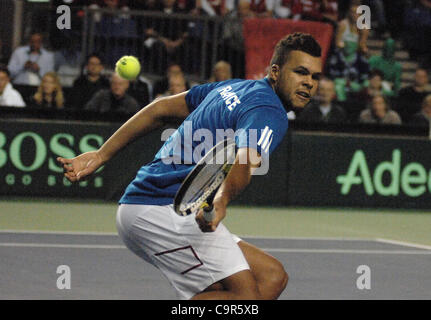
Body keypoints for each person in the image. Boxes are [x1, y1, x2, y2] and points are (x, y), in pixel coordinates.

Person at [57, 32, 323, 300]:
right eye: (301, 73)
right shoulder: (270, 111)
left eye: (315, 77)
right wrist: (222, 199)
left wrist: (102, 155)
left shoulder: (232, 87)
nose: (309, 83)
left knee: (271, 276)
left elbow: (159, 108)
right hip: (162, 208)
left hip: (144, 207)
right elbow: (245, 159)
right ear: (275, 72)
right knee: (244, 296)